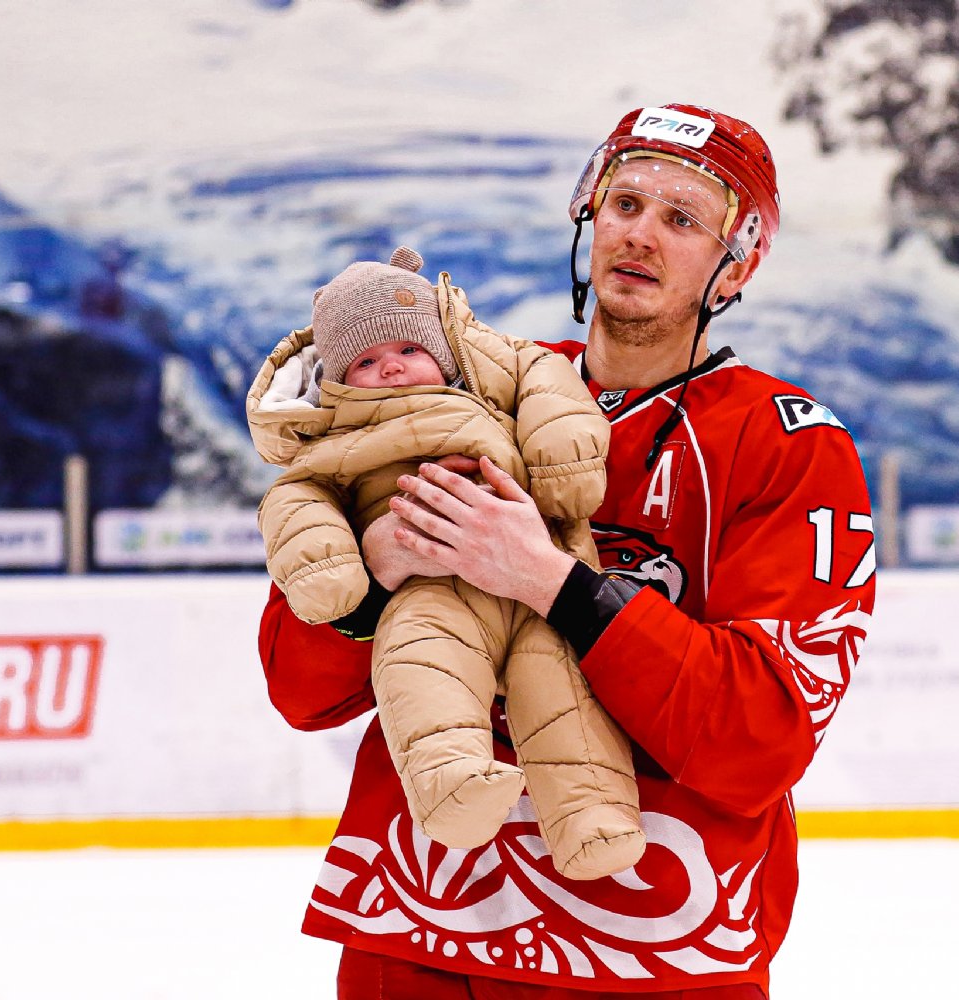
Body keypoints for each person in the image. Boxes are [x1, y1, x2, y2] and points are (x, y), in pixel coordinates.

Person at [258, 103, 876, 999]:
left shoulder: (788, 447)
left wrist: (552, 582)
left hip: (649, 951)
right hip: (417, 938)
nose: (641, 235)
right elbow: (299, 688)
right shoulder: (456, 391)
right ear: (590, 217)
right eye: (624, 203)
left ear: (736, 260)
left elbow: (760, 738)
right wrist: (377, 571)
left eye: (682, 218)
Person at [246, 247, 644, 880]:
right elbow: (297, 499)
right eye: (367, 362)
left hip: (538, 584)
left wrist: (559, 459)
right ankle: (451, 786)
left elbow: (551, 389)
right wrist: (339, 567)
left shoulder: (490, 382)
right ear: (337, 381)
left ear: (444, 349)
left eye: (409, 349)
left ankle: (594, 818)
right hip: (428, 586)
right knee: (422, 666)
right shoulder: (334, 439)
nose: (393, 368)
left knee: (563, 691)